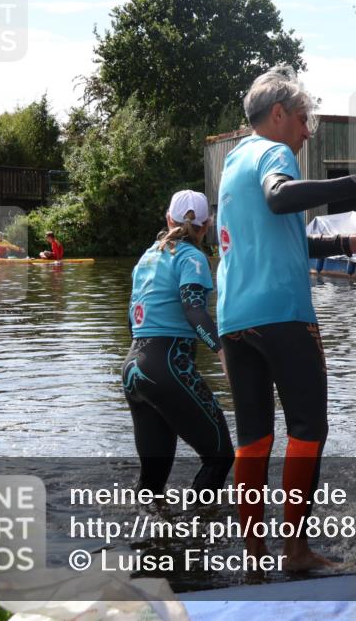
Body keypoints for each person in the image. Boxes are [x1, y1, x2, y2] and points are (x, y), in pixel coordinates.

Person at [216, 64, 356, 571]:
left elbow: (281, 232)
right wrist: (355, 183)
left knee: (253, 437)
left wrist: (347, 242)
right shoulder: (274, 154)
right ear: (277, 114)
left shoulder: (233, 165)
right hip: (283, 313)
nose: (307, 131)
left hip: (235, 318)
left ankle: (254, 556)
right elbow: (279, 197)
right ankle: (295, 550)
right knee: (308, 429)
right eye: (302, 119)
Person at [122, 190, 234, 494]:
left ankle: (151, 538)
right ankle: (198, 531)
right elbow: (193, 309)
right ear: (206, 225)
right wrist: (222, 352)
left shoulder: (147, 257)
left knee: (152, 483)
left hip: (134, 369)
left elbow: (132, 319)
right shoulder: (192, 258)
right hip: (167, 366)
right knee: (220, 457)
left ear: (168, 218)